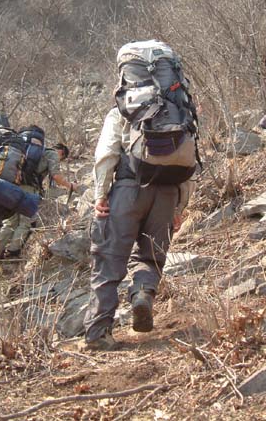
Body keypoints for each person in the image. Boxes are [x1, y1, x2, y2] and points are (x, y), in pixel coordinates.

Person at [82, 106, 196, 351]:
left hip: (128, 189)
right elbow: (188, 162)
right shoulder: (179, 110)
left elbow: (107, 153)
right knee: (151, 257)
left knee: (109, 260)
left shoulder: (122, 111)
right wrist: (179, 207)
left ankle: (98, 333)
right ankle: (142, 293)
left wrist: (101, 194)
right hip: (167, 193)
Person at [0, 141, 78, 258]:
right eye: (62, 158)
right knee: (25, 222)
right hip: (28, 190)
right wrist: (71, 186)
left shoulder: (36, 152)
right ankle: (12, 250)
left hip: (13, 186)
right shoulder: (53, 154)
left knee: (10, 222)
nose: (60, 160)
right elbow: (56, 176)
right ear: (61, 152)